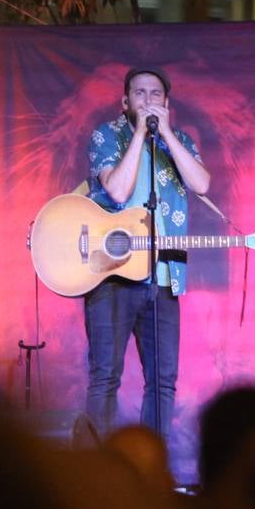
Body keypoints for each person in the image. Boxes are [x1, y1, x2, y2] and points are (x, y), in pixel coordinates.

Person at [84, 66, 210, 439]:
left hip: (164, 273)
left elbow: (201, 183)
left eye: (156, 94)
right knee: (106, 374)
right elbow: (118, 192)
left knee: (163, 380)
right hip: (112, 274)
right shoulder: (106, 136)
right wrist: (140, 132)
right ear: (125, 102)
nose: (148, 100)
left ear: (167, 103)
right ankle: (98, 472)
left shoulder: (181, 140)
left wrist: (166, 133)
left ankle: (150, 466)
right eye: (139, 94)